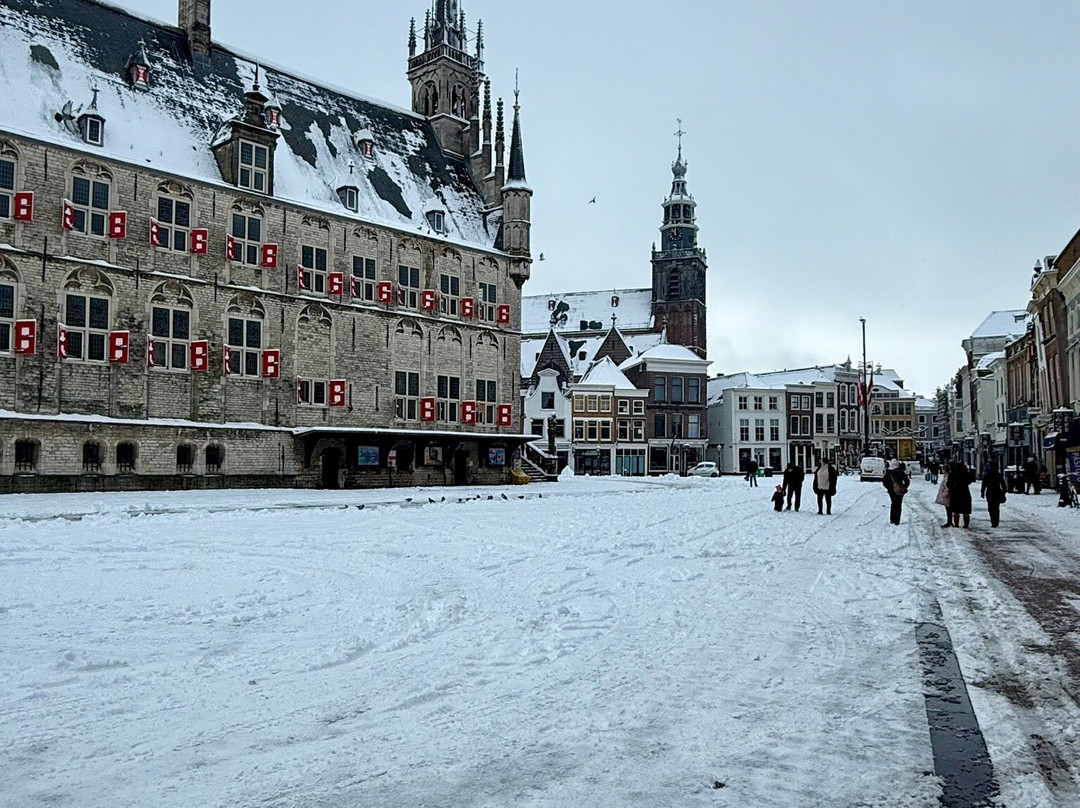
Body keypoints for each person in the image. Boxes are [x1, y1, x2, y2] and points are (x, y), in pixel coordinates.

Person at [882, 459, 911, 525]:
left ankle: (892, 519)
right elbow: (907, 481)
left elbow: (884, 482)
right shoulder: (900, 472)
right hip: (899, 491)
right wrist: (904, 487)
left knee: (893, 504)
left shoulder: (888, 472)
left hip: (891, 491)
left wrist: (889, 488)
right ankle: (897, 520)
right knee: (898, 505)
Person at [947, 461, 973, 528]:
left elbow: (948, 484)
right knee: (966, 511)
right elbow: (969, 481)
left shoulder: (953, 474)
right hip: (965, 493)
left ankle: (956, 524)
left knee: (956, 510)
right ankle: (966, 524)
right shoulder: (966, 474)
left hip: (956, 493)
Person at [980, 461, 1007, 528]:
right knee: (996, 508)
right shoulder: (998, 474)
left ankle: (993, 521)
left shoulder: (987, 475)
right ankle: (996, 521)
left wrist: (982, 493)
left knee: (991, 508)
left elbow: (983, 485)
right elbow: (1003, 484)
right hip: (997, 492)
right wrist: (1004, 491)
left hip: (990, 492)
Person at [935, 463, 952, 527]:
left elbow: (947, 487)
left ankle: (949, 522)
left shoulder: (947, 477)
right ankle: (949, 521)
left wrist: (943, 495)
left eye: (943, 469)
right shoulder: (946, 476)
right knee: (948, 509)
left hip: (947, 496)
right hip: (947, 496)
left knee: (948, 509)